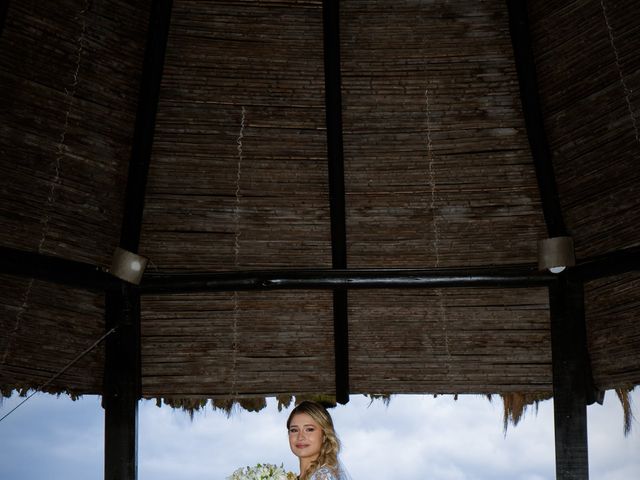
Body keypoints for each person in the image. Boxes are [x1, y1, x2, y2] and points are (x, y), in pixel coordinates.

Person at [286, 400, 352, 480]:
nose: (300, 437)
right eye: (294, 430)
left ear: (324, 435)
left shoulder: (323, 477)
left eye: (309, 429)